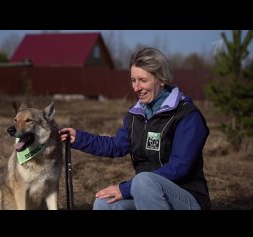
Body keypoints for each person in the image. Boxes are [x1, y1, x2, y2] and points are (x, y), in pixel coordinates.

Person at [60, 47, 211, 210]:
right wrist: (79, 138)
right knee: (103, 204)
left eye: (142, 80)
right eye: (133, 80)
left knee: (143, 181)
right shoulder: (135, 115)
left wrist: (125, 188)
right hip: (147, 193)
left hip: (187, 197)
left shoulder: (187, 116)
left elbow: (180, 166)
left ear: (161, 79)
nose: (136, 87)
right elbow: (116, 146)